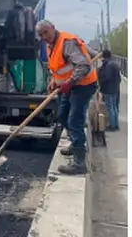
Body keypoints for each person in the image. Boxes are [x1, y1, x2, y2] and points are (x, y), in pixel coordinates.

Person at [36, 19, 98, 175]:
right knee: (62, 116)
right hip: (70, 86)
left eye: (46, 32)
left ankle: (79, 162)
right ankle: (75, 144)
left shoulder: (67, 42)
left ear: (53, 28)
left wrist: (68, 83)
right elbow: (59, 68)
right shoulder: (50, 45)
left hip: (83, 86)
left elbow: (83, 66)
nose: (44, 36)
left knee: (74, 121)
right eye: (40, 34)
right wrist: (53, 81)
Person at [97, 49, 121, 131]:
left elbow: (106, 77)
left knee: (110, 107)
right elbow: (119, 78)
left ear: (103, 56)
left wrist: (101, 84)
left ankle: (112, 126)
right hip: (115, 88)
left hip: (108, 89)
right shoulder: (115, 63)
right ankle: (116, 125)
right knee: (114, 107)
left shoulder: (107, 65)